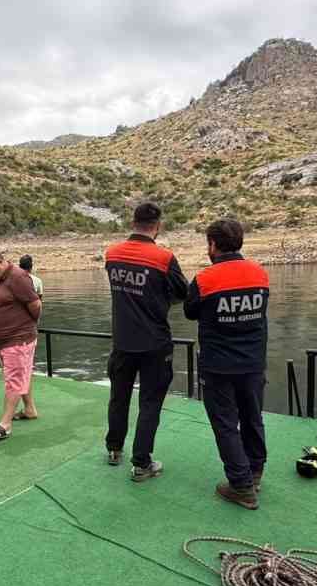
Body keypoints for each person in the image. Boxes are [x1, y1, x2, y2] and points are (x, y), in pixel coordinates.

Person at [184, 219, 269, 510]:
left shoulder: (205, 279)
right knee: (252, 416)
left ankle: (241, 486)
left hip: (218, 366)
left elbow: (190, 311)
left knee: (225, 424)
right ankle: (255, 473)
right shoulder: (260, 274)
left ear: (212, 245)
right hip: (254, 363)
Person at [104, 203, 188, 481]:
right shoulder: (163, 258)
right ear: (158, 225)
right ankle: (142, 463)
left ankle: (114, 449)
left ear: (133, 222)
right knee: (150, 403)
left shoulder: (112, 254)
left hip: (122, 342)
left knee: (119, 397)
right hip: (154, 344)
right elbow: (182, 293)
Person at [0, 248, 41, 440]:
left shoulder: (17, 277)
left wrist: (25, 327)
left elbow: (36, 305)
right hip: (7, 340)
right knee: (22, 374)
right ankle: (30, 409)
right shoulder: (0, 278)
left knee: (14, 380)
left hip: (18, 339)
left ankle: (5, 425)